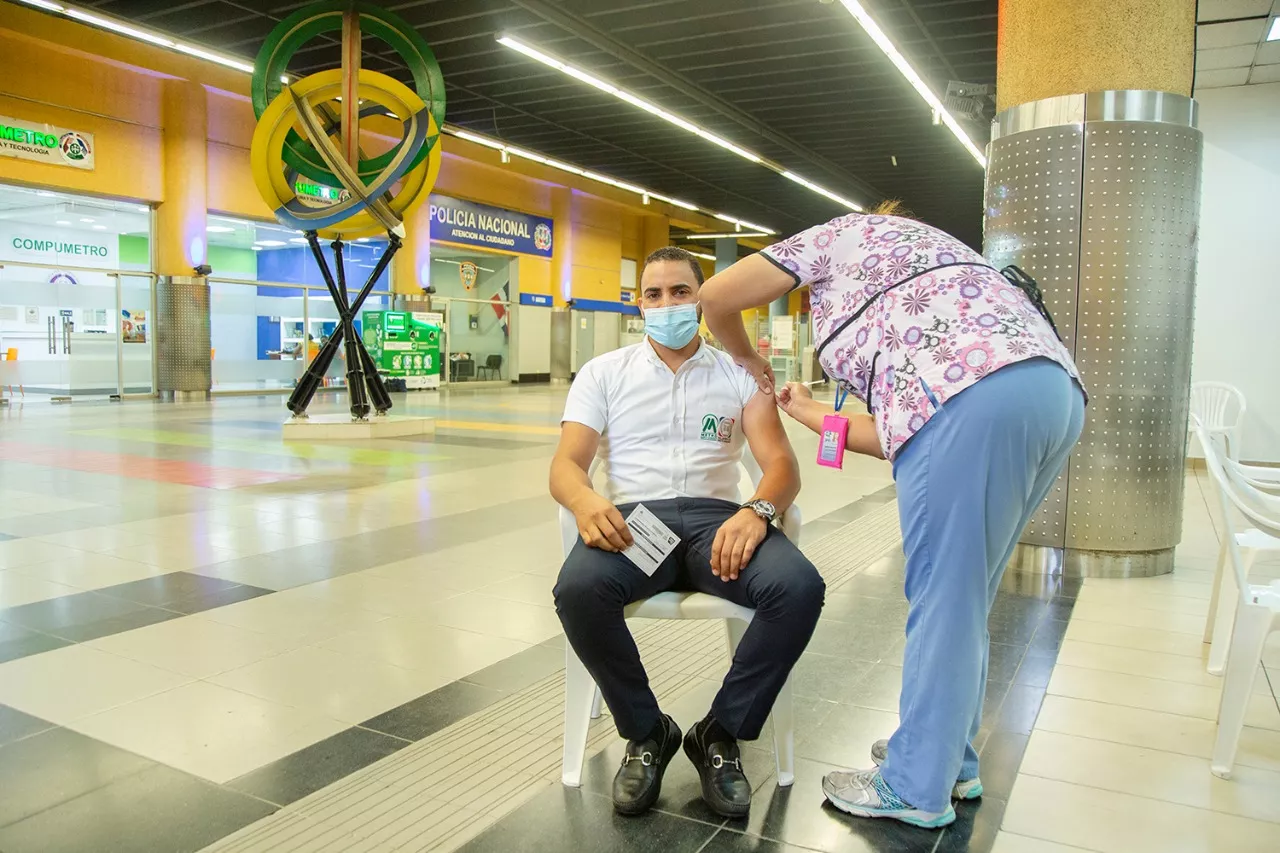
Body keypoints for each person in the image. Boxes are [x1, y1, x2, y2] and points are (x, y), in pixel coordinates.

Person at [698, 202, 1086, 829]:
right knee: (967, 594)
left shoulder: (839, 234)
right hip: (1049, 392)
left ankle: (914, 785)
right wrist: (810, 415)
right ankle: (947, 757)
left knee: (942, 596)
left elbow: (717, 297)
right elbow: (905, 430)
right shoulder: (932, 259)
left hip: (971, 397)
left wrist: (747, 360)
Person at [549, 247, 825, 819]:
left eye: (681, 292)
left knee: (797, 588)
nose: (668, 303)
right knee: (578, 590)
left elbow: (781, 466)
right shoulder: (604, 374)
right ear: (639, 303)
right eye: (655, 294)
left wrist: (757, 512)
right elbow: (566, 466)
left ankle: (719, 734)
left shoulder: (738, 375)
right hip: (637, 522)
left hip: (717, 520)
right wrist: (584, 500)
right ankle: (648, 733)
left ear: (701, 301)